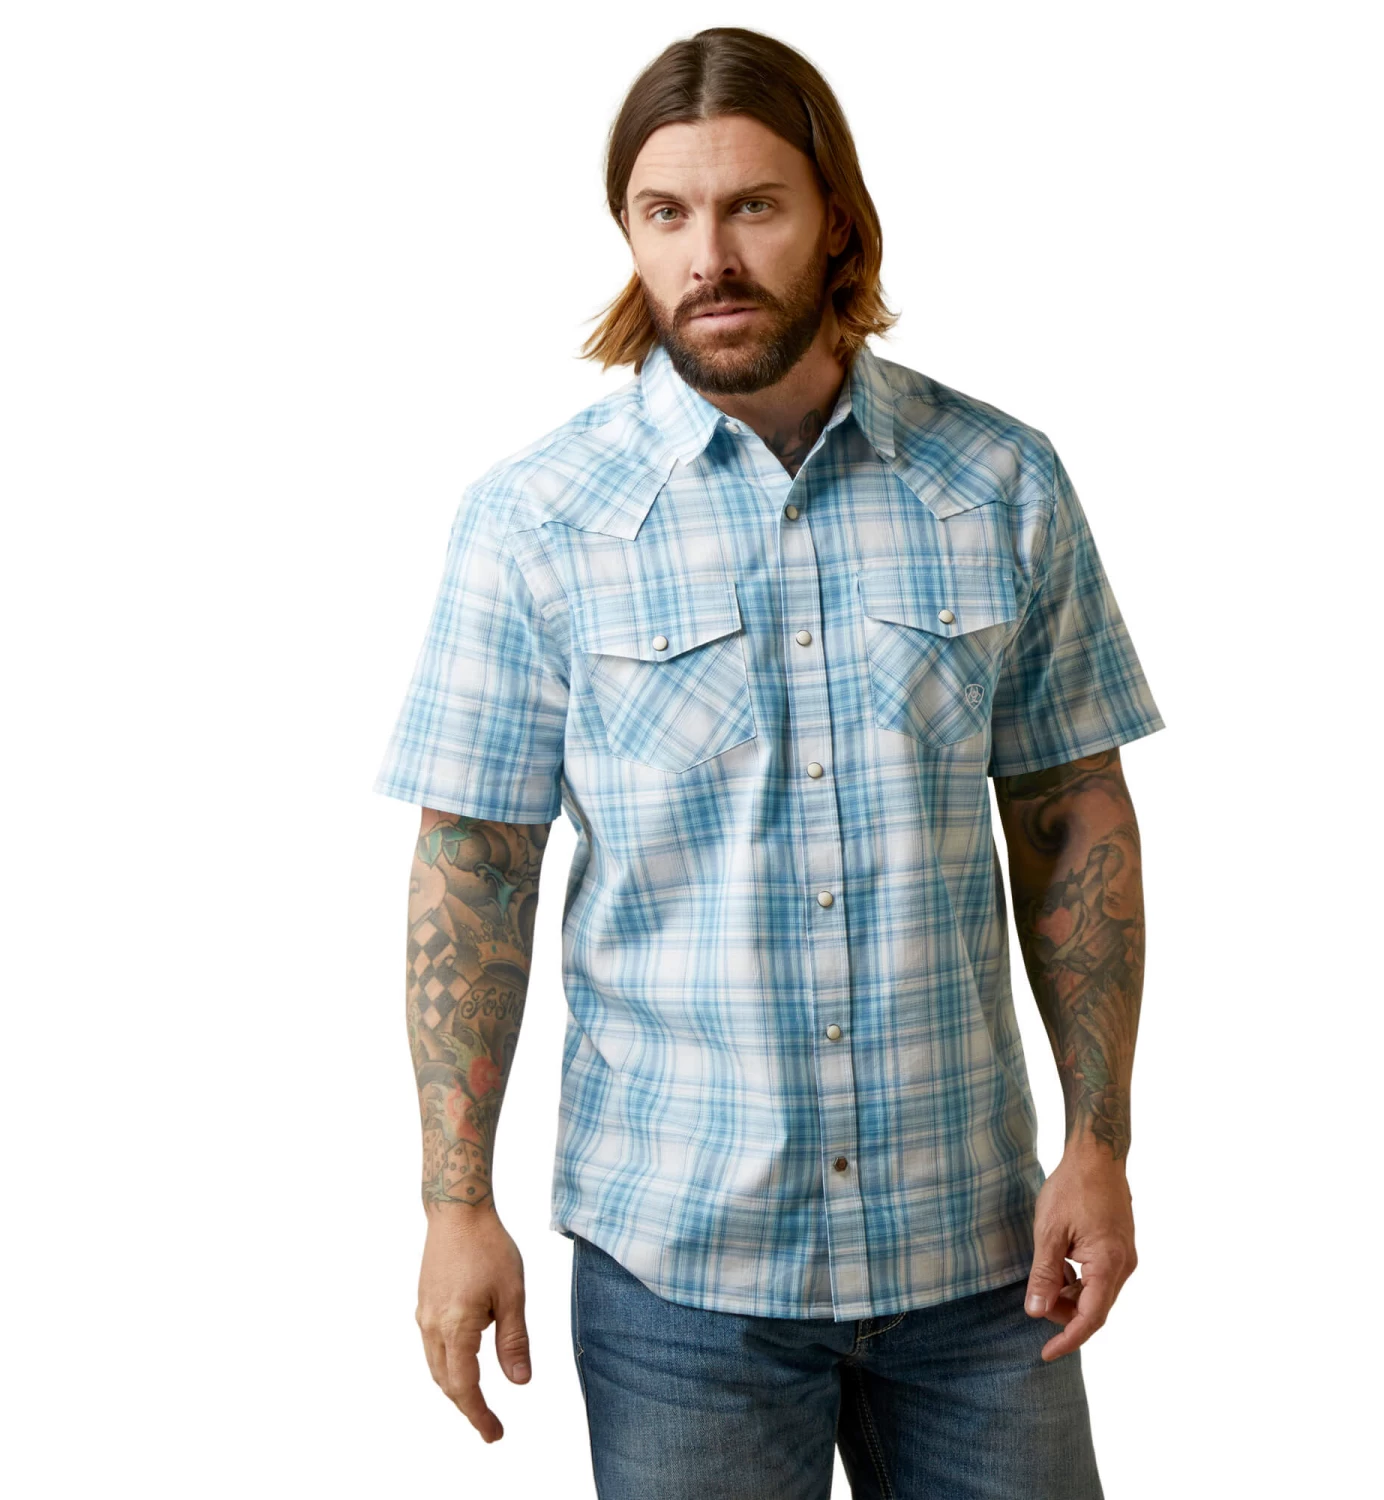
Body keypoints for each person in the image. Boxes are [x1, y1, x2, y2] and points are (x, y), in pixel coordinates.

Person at [373, 25, 1164, 1500]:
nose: (709, 258)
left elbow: (1073, 819)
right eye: (665, 214)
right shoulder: (535, 519)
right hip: (680, 1277)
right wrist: (452, 1203)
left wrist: (1099, 1142)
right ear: (628, 232)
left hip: (979, 1257)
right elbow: (472, 867)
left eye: (754, 207)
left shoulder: (1000, 481)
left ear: (837, 220)